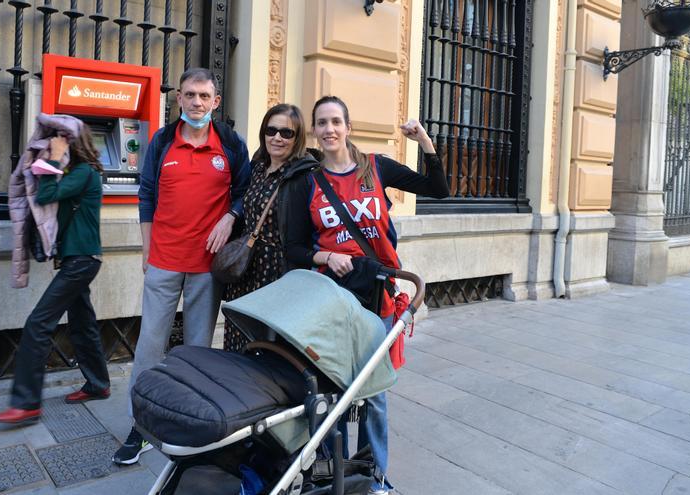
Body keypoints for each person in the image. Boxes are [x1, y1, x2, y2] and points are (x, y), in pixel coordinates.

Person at [284, 95, 449, 494]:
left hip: (378, 295)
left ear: (348, 126)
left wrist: (425, 141)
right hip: (330, 296)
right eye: (321, 123)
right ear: (315, 130)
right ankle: (333, 474)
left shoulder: (375, 167)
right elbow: (293, 248)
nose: (329, 130)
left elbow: (438, 189)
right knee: (334, 389)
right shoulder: (308, 179)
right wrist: (327, 254)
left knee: (374, 392)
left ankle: (375, 477)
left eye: (336, 121)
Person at [114, 68, 251, 465]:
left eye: (204, 96)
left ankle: (190, 424)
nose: (197, 103)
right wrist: (146, 248)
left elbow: (244, 190)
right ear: (178, 98)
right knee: (149, 348)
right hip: (164, 260)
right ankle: (139, 427)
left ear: (216, 101)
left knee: (196, 350)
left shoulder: (229, 143)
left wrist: (231, 216)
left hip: (208, 267)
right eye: (190, 95)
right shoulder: (161, 142)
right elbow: (146, 196)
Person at [0, 125, 109, 424]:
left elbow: (46, 196)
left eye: (58, 142)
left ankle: (27, 403)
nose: (53, 146)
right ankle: (99, 384)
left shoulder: (84, 173)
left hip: (82, 261)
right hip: (79, 259)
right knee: (83, 324)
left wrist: (55, 160)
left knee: (38, 323)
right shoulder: (79, 173)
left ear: (72, 143)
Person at [222, 103, 317, 352]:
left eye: (286, 133)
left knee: (266, 345)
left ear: (297, 138)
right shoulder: (258, 167)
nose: (277, 137)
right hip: (245, 267)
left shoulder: (304, 176)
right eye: (271, 130)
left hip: (277, 272)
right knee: (238, 338)